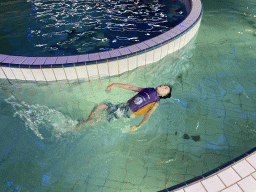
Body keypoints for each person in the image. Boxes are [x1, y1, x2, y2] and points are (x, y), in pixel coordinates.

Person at [75, 83, 172, 132]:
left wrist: (139, 126)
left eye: (165, 88)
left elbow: (148, 114)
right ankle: (86, 121)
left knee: (99, 119)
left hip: (126, 113)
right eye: (163, 85)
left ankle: (77, 127)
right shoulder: (148, 89)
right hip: (122, 107)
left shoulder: (156, 101)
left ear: (163, 95)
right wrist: (114, 84)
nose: (163, 86)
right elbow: (131, 87)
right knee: (98, 106)